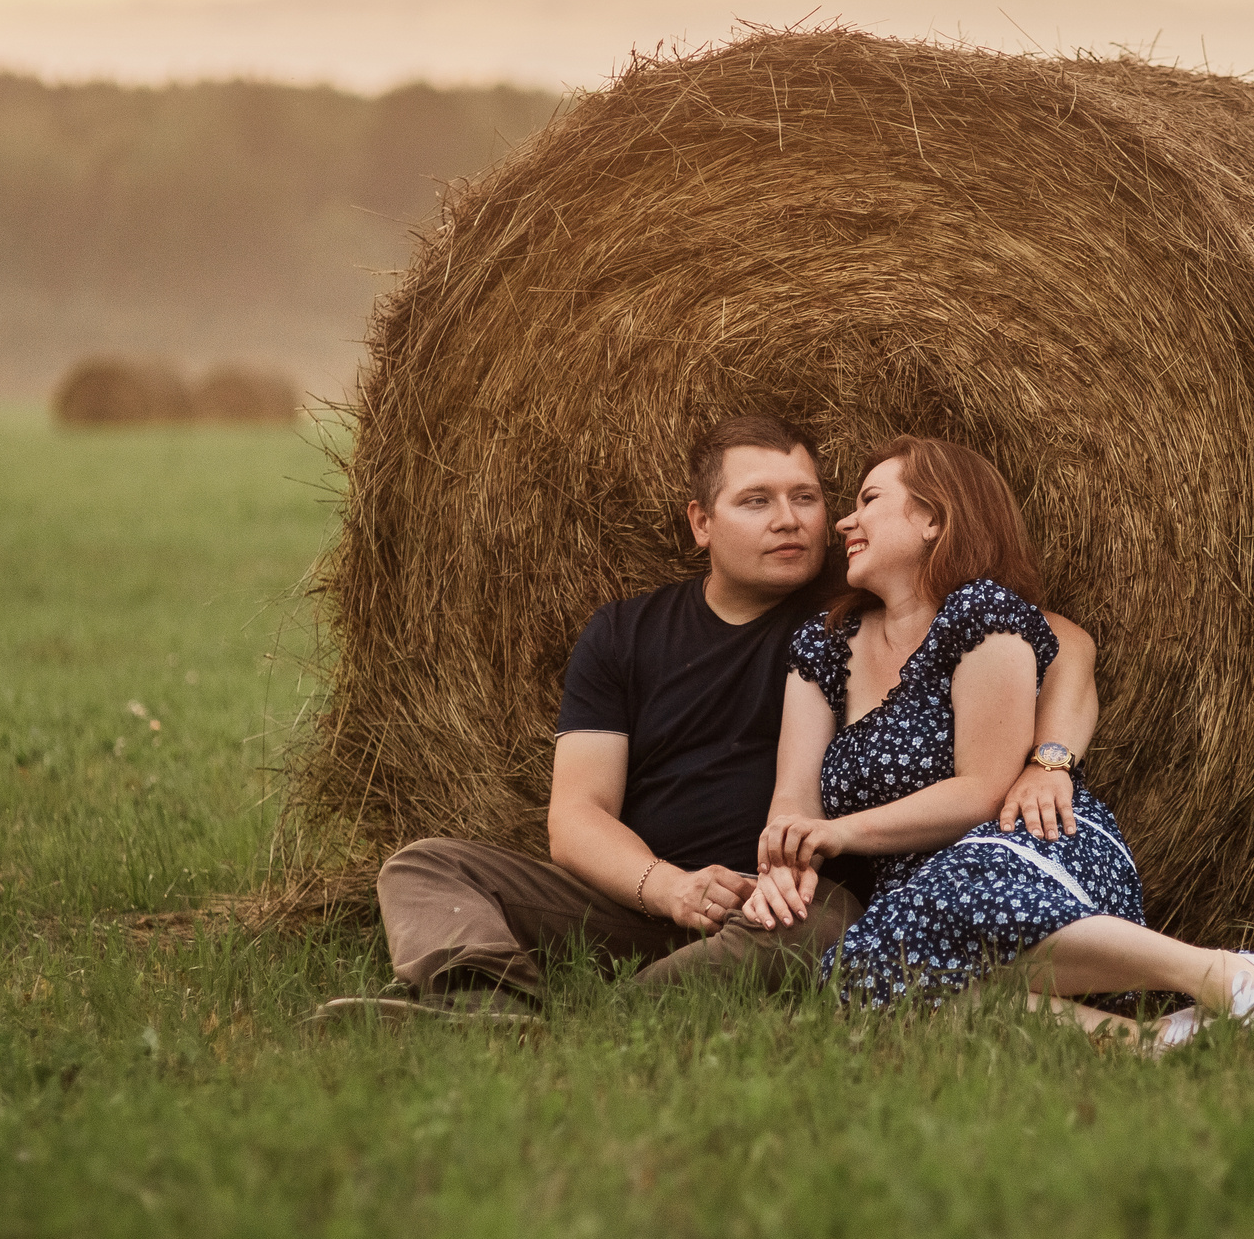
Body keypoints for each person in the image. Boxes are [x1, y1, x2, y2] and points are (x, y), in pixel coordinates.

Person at [322, 415, 1097, 1024]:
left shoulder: (847, 609)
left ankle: (583, 1021)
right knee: (425, 865)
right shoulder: (624, 633)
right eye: (755, 502)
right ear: (701, 523)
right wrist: (668, 889)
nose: (790, 520)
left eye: (806, 498)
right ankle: (476, 1006)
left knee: (817, 935)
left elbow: (1054, 638)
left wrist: (1047, 758)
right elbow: (576, 816)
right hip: (641, 897)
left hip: (789, 900)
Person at [741, 435, 1254, 1044]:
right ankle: (1157, 1046)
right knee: (872, 982)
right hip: (916, 886)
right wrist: (785, 857)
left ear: (933, 518)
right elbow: (793, 793)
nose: (845, 520)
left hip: (1029, 840)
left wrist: (837, 834)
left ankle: (1231, 976)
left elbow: (985, 789)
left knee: (938, 915)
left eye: (868, 499)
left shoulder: (980, 612)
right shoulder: (825, 643)